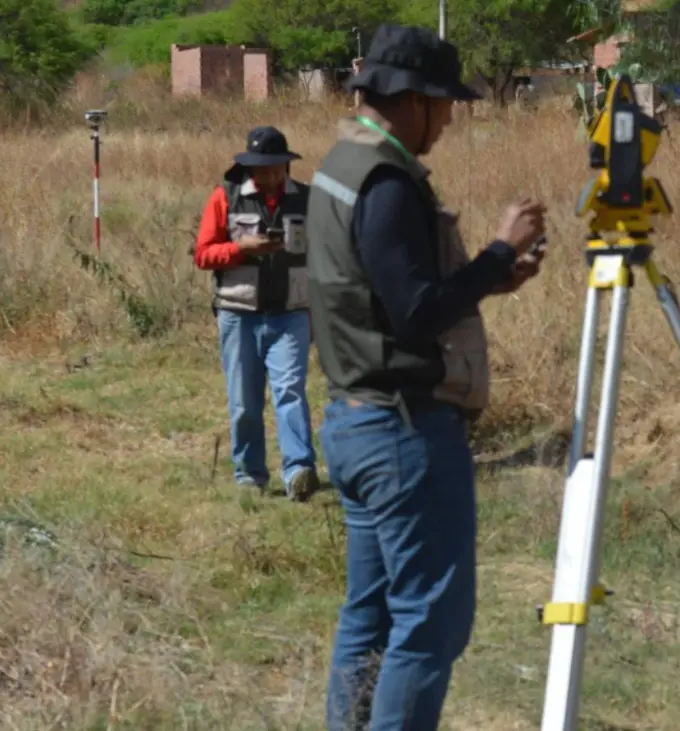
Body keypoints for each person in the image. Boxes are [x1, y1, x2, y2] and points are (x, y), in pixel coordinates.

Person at [305, 23, 548, 731]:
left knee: (372, 611)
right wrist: (500, 245)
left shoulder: (341, 165)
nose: (447, 119)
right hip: (401, 428)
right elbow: (414, 312)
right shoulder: (386, 181)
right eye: (443, 104)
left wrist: (488, 280)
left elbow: (384, 293)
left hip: (356, 418)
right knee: (431, 622)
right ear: (409, 99)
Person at [193, 125, 321, 502]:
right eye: (259, 169)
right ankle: (250, 475)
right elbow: (202, 254)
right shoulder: (225, 197)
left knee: (290, 392)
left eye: (274, 168)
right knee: (244, 401)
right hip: (238, 313)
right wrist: (241, 249)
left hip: (292, 312)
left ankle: (298, 470)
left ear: (286, 166)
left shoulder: (310, 200)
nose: (267, 176)